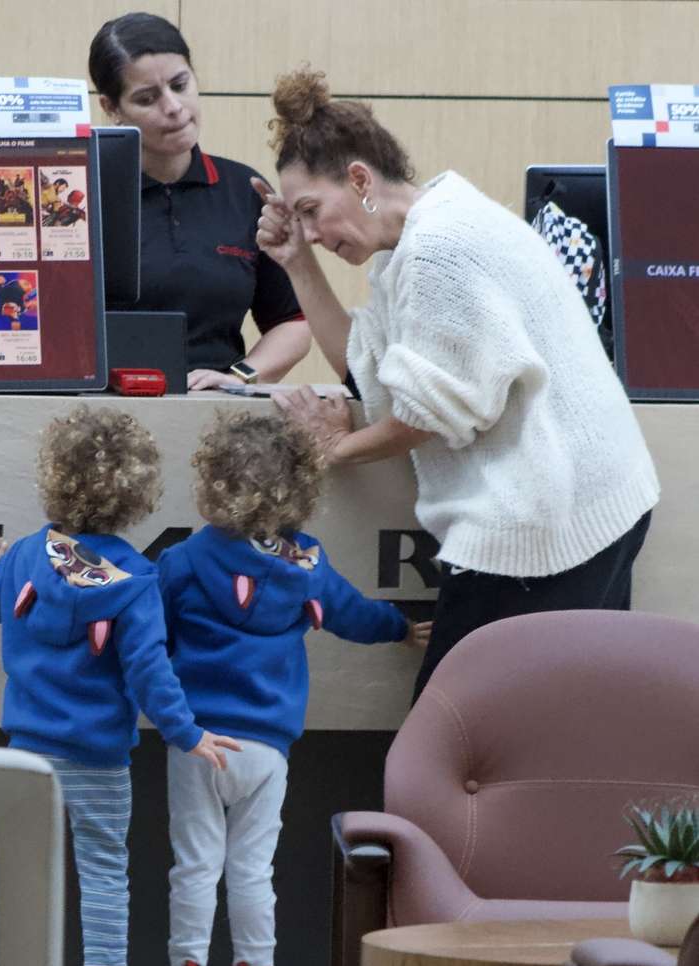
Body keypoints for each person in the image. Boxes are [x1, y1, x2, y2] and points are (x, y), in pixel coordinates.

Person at [254, 67, 660, 703]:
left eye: (311, 212)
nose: (310, 231)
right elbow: (359, 368)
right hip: (577, 506)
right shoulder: (415, 240)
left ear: (359, 179)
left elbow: (431, 416)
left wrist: (334, 448)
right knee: (517, 738)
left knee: (454, 738)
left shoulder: (440, 248)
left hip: (552, 521)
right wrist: (298, 265)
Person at [0, 405, 241, 966]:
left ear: (54, 477)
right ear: (138, 494)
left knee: (19, 870)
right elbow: (149, 670)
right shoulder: (137, 579)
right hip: (99, 759)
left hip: (26, 755)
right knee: (104, 868)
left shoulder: (26, 555)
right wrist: (187, 734)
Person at [150, 411, 430, 966]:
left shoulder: (180, 561)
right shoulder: (306, 564)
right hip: (266, 747)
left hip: (194, 738)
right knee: (253, 865)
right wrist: (402, 628)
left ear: (212, 482)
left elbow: (150, 635)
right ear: (299, 486)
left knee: (194, 860)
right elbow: (354, 612)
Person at [88, 12, 311, 390]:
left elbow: (293, 321)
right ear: (111, 108)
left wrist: (237, 377)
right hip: (101, 410)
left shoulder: (245, 189)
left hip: (215, 410)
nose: (173, 107)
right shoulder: (81, 194)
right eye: (147, 98)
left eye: (180, 84)